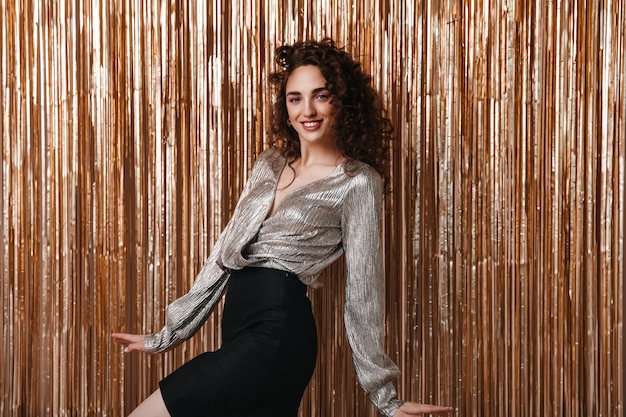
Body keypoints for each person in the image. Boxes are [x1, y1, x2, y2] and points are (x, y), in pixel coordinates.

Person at [112, 39, 453, 417]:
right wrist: (168, 335)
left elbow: (363, 291)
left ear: (341, 101)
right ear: (285, 107)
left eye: (320, 96)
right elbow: (224, 254)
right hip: (239, 324)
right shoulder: (270, 164)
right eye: (295, 98)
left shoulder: (357, 182)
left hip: (279, 331)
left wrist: (385, 398)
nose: (307, 109)